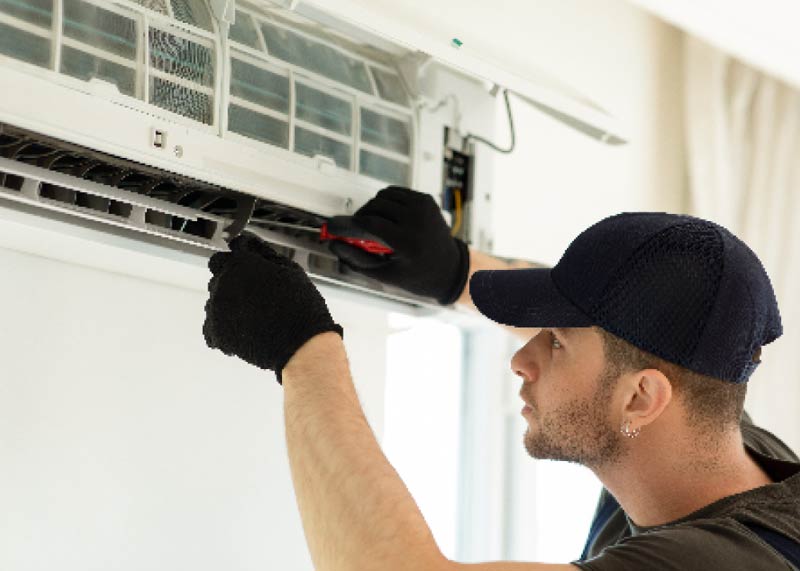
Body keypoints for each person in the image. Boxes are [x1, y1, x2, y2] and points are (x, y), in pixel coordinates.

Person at [203, 187, 800, 570]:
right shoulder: (718, 440)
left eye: (555, 342)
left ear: (642, 398)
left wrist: (302, 349)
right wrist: (453, 271)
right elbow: (624, 347)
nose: (522, 358)